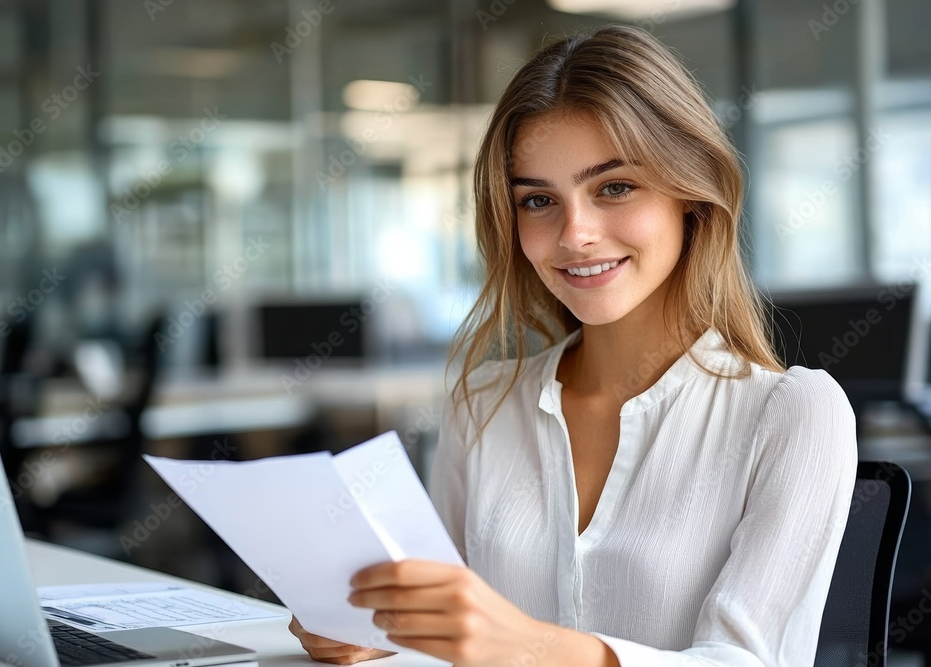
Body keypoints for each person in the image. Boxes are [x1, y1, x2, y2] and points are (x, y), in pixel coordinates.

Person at [289, 24, 857, 666]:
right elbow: (432, 631)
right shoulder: (482, 402)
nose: (574, 233)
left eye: (614, 187)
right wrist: (373, 630)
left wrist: (531, 647)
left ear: (690, 196)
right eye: (537, 200)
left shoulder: (793, 413)